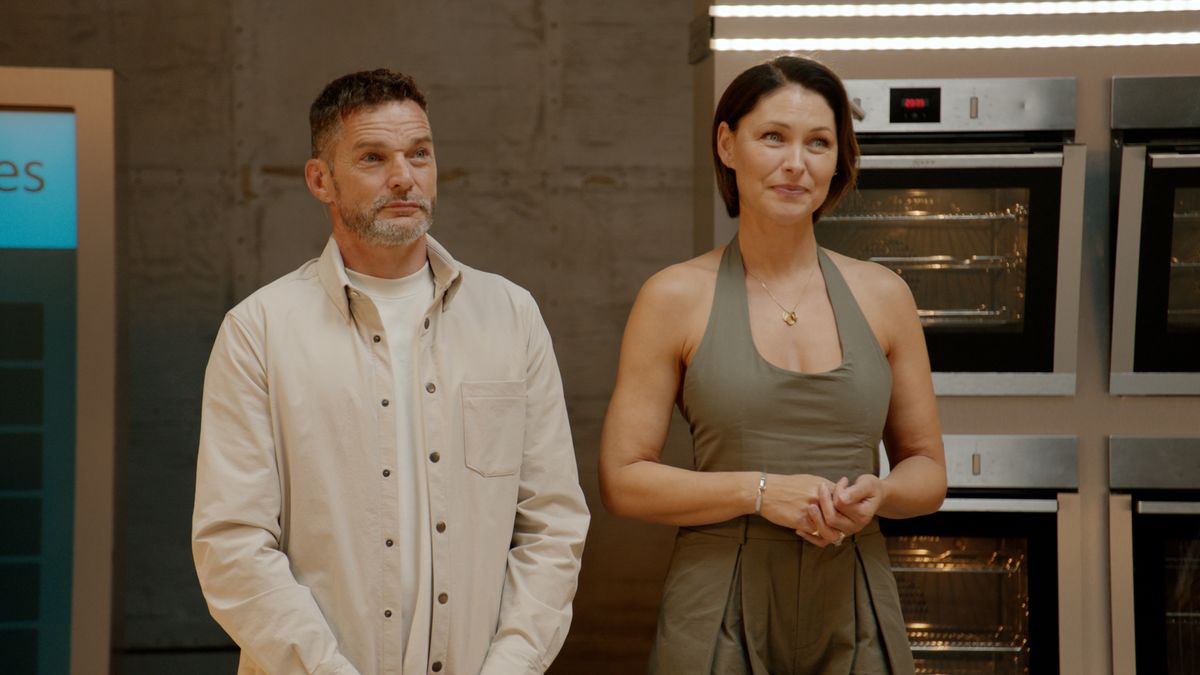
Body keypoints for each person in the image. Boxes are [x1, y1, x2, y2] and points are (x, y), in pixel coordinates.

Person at [192, 68, 590, 675]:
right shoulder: (258, 330)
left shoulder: (511, 315)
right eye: (373, 157)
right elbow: (233, 545)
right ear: (320, 179)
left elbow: (552, 524)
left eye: (419, 154)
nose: (404, 176)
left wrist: (512, 664)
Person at [599, 55, 946, 674]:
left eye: (819, 142)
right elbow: (623, 479)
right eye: (773, 138)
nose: (796, 164)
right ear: (728, 145)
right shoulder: (674, 296)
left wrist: (882, 492)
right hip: (717, 600)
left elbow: (927, 470)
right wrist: (758, 493)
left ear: (839, 158)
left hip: (856, 594)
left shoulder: (884, 295)